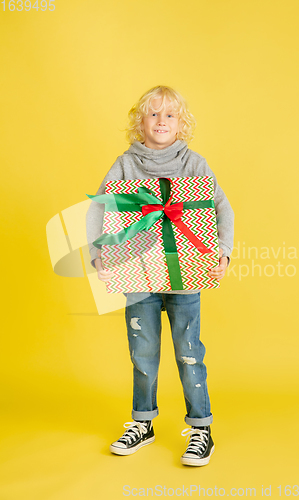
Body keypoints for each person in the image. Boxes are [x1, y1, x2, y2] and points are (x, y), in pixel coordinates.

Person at [86, 85, 234, 466]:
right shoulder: (124, 164)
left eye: (170, 115)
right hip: (138, 278)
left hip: (186, 277)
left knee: (188, 352)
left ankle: (201, 428)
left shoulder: (194, 164)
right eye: (153, 114)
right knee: (143, 352)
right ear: (140, 122)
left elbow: (220, 206)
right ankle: (143, 422)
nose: (161, 121)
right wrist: (99, 251)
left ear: (181, 123)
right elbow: (101, 207)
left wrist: (222, 249)